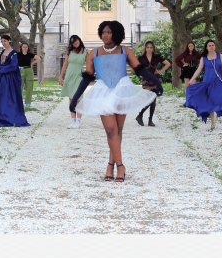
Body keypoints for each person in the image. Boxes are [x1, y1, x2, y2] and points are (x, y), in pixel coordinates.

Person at [70, 21, 163, 183]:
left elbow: (139, 69)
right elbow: (87, 77)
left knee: (118, 131)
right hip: (103, 92)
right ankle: (120, 166)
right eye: (103, 32)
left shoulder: (125, 50)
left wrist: (156, 82)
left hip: (122, 90)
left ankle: (110, 165)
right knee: (111, 130)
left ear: (117, 33)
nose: (105, 35)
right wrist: (77, 97)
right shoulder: (94, 53)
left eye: (109, 32)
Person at [0, 35, 30, 127]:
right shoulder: (3, 51)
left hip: (8, 79)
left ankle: (4, 118)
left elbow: (13, 66)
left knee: (5, 98)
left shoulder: (13, 53)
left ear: (9, 40)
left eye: (5, 41)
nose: (3, 43)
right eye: (2, 41)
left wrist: (0, 69)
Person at [185, 39, 222, 130]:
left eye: (213, 45)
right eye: (209, 45)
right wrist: (192, 80)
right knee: (210, 102)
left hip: (218, 82)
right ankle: (213, 124)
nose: (211, 47)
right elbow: (199, 70)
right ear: (206, 47)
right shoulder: (204, 58)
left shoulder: (220, 56)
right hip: (207, 82)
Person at [135, 41, 171, 127]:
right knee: (150, 99)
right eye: (148, 47)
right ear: (145, 48)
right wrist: (140, 74)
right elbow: (134, 67)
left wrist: (160, 71)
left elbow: (168, 63)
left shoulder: (157, 57)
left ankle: (149, 119)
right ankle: (140, 115)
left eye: (151, 47)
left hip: (155, 79)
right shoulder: (141, 57)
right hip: (146, 80)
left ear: (153, 48)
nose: (149, 49)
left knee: (153, 99)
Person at [59, 35, 87, 128]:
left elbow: (90, 63)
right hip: (69, 75)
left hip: (79, 75)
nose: (75, 42)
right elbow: (65, 64)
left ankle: (78, 120)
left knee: (78, 97)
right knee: (71, 98)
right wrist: (61, 77)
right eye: (72, 41)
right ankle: (73, 119)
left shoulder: (85, 51)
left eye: (76, 40)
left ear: (79, 40)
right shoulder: (69, 52)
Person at [18, 42, 41, 108]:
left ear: (28, 48)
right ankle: (19, 103)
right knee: (19, 87)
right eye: (23, 47)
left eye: (26, 47)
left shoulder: (30, 54)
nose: (25, 48)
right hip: (21, 70)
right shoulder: (18, 54)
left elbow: (38, 58)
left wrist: (32, 63)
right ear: (21, 48)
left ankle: (28, 103)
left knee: (29, 87)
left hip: (29, 71)